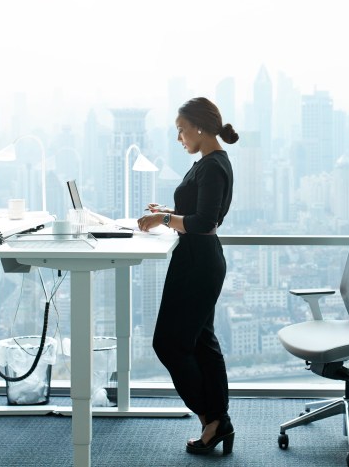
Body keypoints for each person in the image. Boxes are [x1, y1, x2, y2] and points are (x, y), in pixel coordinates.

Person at [137, 97, 238, 456]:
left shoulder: (213, 166)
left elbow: (205, 222)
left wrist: (165, 220)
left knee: (168, 343)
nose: (179, 137)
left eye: (181, 130)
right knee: (202, 343)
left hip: (199, 262)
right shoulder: (209, 163)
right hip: (196, 258)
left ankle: (212, 418)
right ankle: (217, 420)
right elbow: (195, 212)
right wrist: (166, 212)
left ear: (198, 126)